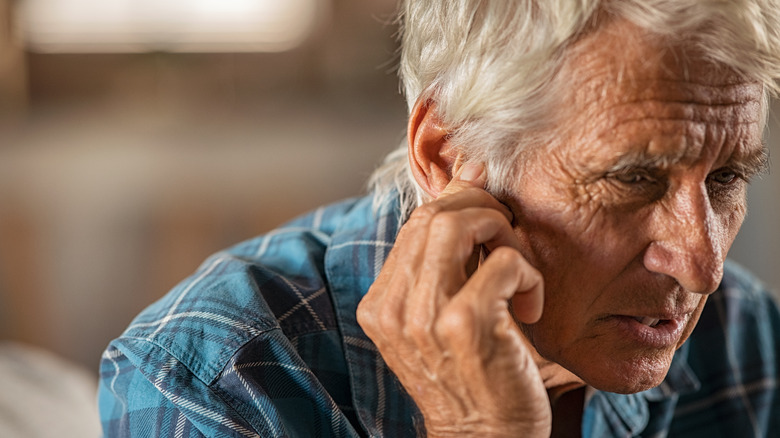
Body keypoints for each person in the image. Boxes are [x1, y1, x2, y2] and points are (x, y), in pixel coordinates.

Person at [99, 1, 780, 436]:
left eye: (726, 179)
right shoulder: (216, 381)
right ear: (449, 156)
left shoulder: (747, 341)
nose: (704, 265)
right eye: (632, 178)